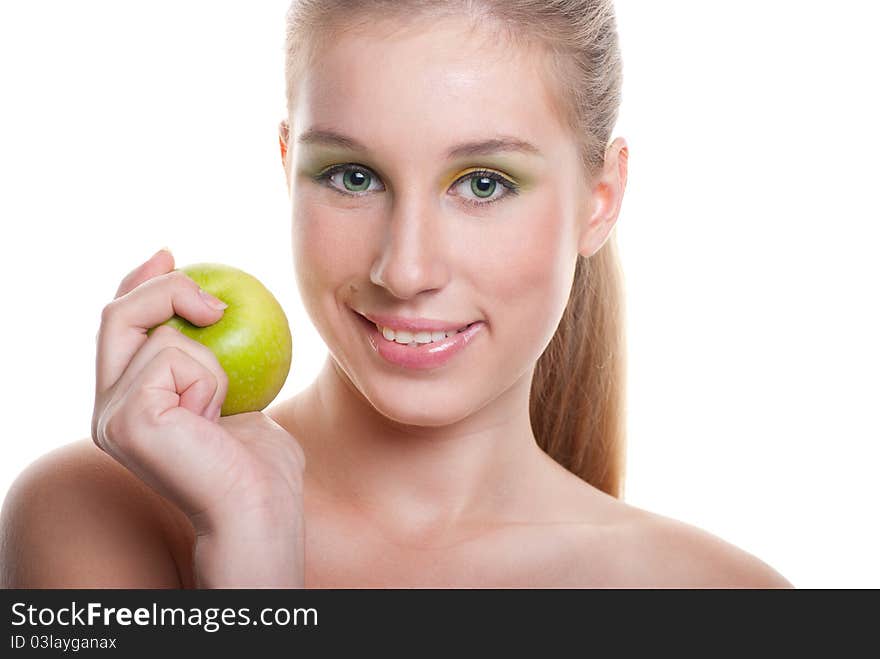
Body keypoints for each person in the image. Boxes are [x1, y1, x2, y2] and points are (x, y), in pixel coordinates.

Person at [0, 0, 792, 588]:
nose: (405, 270)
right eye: (352, 176)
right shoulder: (87, 511)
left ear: (601, 198)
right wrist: (247, 556)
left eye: (483, 183)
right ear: (287, 167)